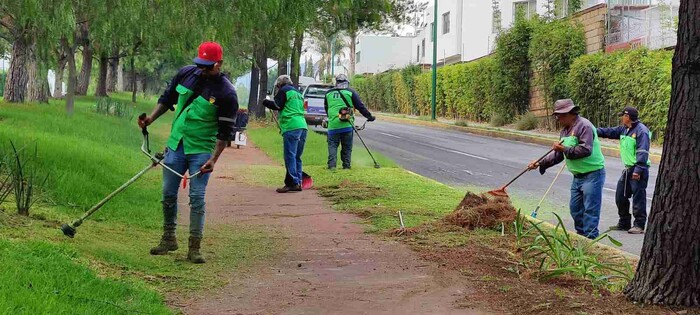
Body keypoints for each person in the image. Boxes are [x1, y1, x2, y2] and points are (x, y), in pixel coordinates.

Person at [138, 41, 238, 263]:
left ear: (219, 64)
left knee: (197, 197)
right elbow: (167, 99)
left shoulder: (227, 93)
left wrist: (214, 159)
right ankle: (168, 239)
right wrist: (150, 119)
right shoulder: (185, 74)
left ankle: (194, 247)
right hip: (176, 144)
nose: (202, 69)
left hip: (202, 149)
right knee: (168, 193)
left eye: (208, 65)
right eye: (199, 64)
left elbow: (225, 132)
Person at [528, 99, 606, 239]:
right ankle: (581, 237)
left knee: (590, 210)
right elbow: (558, 155)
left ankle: (591, 240)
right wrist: (539, 163)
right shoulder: (564, 131)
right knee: (575, 209)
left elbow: (585, 149)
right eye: (557, 115)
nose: (558, 119)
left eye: (560, 115)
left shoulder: (584, 126)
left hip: (593, 175)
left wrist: (564, 148)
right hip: (578, 176)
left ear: (570, 113)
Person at [597, 107, 651, 234]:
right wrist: (592, 130)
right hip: (627, 169)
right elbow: (609, 132)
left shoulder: (641, 131)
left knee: (638, 198)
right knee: (620, 196)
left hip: (639, 169)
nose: (621, 118)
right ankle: (624, 222)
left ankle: (639, 225)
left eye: (623, 116)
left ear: (627, 117)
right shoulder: (624, 129)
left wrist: (638, 170)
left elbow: (643, 152)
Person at [262, 75, 308, 193]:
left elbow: (277, 105)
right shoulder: (298, 92)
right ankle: (298, 182)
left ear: (279, 84)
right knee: (297, 156)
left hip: (291, 126)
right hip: (302, 126)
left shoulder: (284, 91)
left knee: (290, 156)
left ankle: (292, 182)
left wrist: (266, 102)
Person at [324, 74, 376, 170]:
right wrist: (370, 117)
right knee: (347, 147)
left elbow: (326, 108)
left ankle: (331, 166)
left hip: (333, 126)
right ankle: (346, 166)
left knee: (332, 146)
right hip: (347, 125)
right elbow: (360, 107)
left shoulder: (328, 93)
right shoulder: (351, 92)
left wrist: (331, 117)